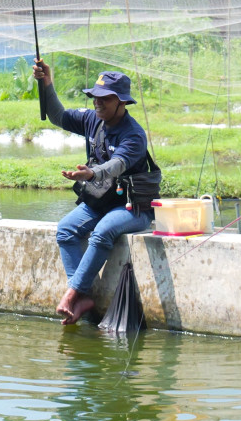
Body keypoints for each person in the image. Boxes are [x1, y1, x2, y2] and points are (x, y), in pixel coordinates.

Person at [32, 61, 159, 325]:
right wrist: (47, 83)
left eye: (105, 99)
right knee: (66, 229)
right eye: (94, 98)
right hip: (100, 202)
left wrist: (92, 173)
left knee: (102, 232)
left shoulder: (133, 134)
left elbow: (117, 165)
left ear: (122, 102)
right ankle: (84, 297)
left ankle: (72, 294)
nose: (97, 104)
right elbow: (58, 116)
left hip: (131, 208)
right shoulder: (93, 119)